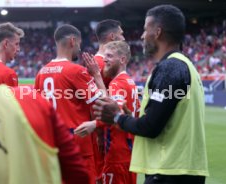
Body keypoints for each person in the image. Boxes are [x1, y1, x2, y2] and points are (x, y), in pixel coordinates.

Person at [0, 21, 90, 184]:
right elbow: (16, 114)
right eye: (17, 44)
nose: (19, 49)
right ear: (6, 44)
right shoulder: (7, 73)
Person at [92, 5, 209, 184]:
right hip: (185, 169)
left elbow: (150, 127)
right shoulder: (187, 65)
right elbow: (160, 120)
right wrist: (130, 118)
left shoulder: (169, 68)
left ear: (158, 32)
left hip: (169, 170)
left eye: (146, 29)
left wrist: (117, 117)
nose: (142, 36)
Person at [34, 24, 103, 184]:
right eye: (79, 43)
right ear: (73, 41)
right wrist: (97, 76)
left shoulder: (41, 72)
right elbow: (103, 104)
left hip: (52, 143)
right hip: (77, 145)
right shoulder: (76, 71)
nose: (79, 48)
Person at [75, 41, 140, 184]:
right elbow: (134, 114)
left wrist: (94, 124)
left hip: (117, 154)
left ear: (122, 59)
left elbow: (114, 112)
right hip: (129, 153)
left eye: (109, 56)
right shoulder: (130, 83)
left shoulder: (117, 84)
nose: (105, 59)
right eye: (105, 56)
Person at [92, 19, 126, 183]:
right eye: (121, 34)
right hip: (106, 137)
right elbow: (95, 102)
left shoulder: (96, 62)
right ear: (112, 37)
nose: (124, 38)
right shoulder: (101, 63)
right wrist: (98, 132)